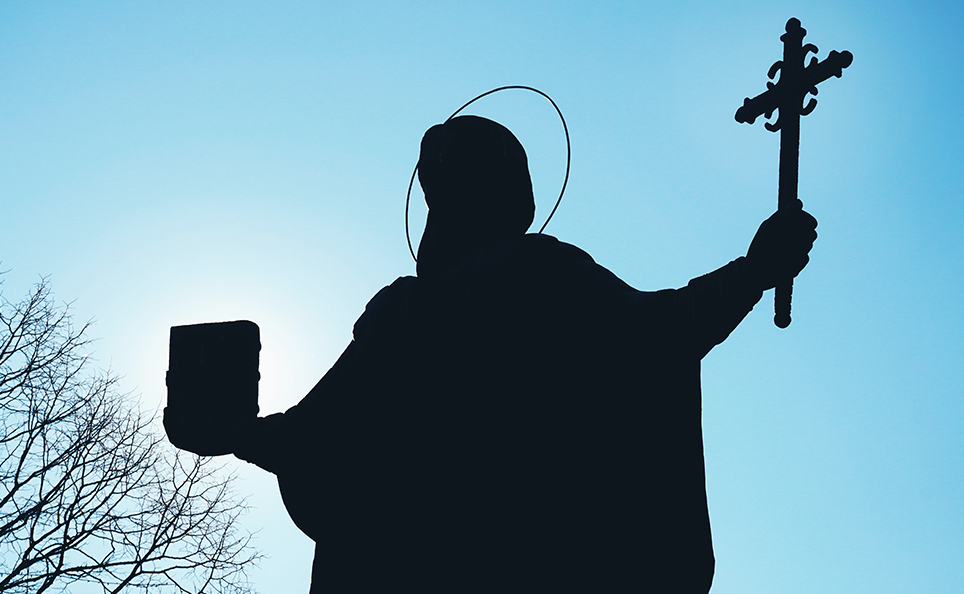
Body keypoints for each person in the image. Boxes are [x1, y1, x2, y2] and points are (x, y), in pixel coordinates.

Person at [232, 115, 818, 593]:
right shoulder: (418, 304)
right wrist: (753, 272)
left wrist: (754, 271)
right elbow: (320, 431)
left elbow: (654, 334)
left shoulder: (503, 281)